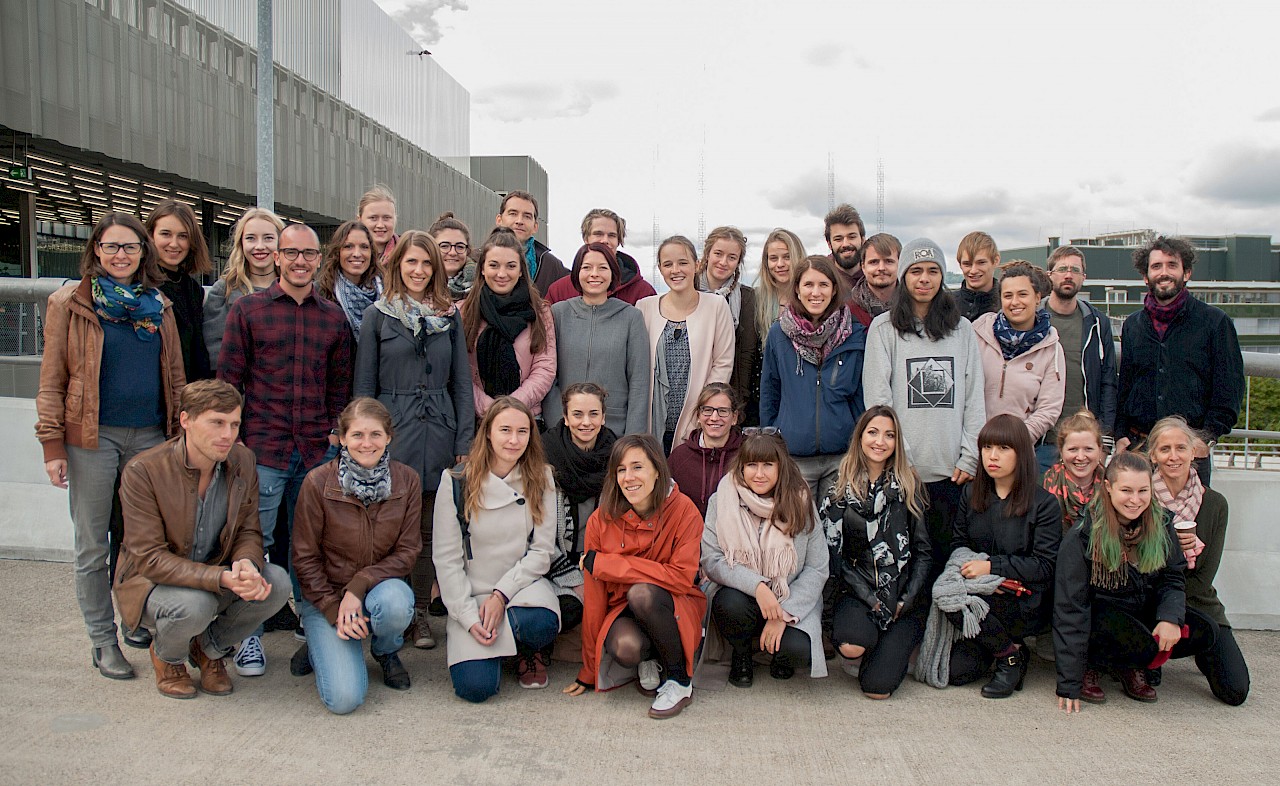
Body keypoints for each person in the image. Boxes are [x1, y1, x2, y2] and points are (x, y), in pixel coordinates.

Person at [36, 211, 186, 680]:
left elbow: (176, 376)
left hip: (149, 437)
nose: (121, 255)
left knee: (141, 540)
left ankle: (134, 618)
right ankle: (103, 642)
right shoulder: (71, 302)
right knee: (92, 545)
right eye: (112, 246)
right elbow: (52, 379)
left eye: (131, 247)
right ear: (96, 250)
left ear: (143, 254)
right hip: (91, 438)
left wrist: (179, 433)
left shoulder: (157, 306)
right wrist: (52, 446)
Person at [218, 222, 353, 676]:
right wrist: (235, 441)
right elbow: (229, 382)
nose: (300, 261)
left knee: (310, 544)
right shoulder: (248, 311)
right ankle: (247, 637)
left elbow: (340, 387)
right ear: (276, 257)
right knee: (252, 542)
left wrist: (336, 434)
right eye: (291, 253)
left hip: (315, 450)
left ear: (319, 259)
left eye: (309, 254)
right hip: (263, 448)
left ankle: (309, 629)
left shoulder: (333, 317)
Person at [114, 380, 290, 699]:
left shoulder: (243, 460)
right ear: (186, 421)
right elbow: (149, 559)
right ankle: (168, 658)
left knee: (275, 583)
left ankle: (209, 649)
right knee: (196, 604)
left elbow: (249, 530)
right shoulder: (143, 470)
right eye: (217, 422)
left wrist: (246, 565)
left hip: (213, 571)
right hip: (151, 583)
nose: (228, 434)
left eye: (234, 424)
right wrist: (221, 577)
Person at [354, 229, 475, 650]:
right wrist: (365, 440)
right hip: (393, 433)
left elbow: (461, 383)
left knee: (429, 529)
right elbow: (364, 385)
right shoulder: (378, 316)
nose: (419, 270)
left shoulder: (449, 317)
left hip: (439, 433)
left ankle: (420, 614)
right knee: (388, 528)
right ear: (397, 265)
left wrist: (464, 439)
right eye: (411, 262)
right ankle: (393, 611)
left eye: (427, 263)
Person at [1053, 451, 1215, 712]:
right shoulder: (1083, 535)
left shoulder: (1162, 524)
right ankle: (1091, 666)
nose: (1135, 500)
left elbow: (1172, 576)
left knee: (1204, 632)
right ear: (1108, 487)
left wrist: (1170, 618)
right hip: (1099, 618)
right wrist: (1068, 683)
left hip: (1139, 610)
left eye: (1143, 490)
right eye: (1126, 490)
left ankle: (1129, 664)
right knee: (1114, 627)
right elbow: (1070, 609)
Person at [290, 398, 421, 714]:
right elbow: (304, 557)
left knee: (396, 603)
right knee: (345, 699)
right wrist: (334, 609)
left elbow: (407, 551)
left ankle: (385, 650)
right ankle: (321, 640)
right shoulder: (318, 482)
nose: (367, 443)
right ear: (342, 437)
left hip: (378, 589)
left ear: (389, 437)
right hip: (326, 598)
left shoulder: (407, 480)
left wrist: (358, 586)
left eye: (375, 434)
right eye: (357, 435)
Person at [863, 238, 985, 572]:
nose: (924, 278)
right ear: (904, 276)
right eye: (915, 270)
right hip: (904, 473)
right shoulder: (883, 329)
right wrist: (900, 461)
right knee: (907, 564)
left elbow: (974, 396)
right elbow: (878, 402)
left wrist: (971, 455)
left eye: (933, 271)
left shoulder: (962, 331)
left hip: (953, 473)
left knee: (947, 561)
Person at [563, 435, 707, 720]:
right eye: (621, 469)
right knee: (625, 647)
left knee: (641, 593)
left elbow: (681, 578)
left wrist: (610, 565)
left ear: (657, 470)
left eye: (638, 467)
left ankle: (678, 681)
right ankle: (653, 657)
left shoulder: (684, 511)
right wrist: (589, 670)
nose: (628, 477)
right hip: (624, 609)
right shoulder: (601, 519)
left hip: (675, 603)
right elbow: (594, 599)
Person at [433, 397, 560, 701]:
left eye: (522, 431)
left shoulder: (541, 478)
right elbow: (447, 560)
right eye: (505, 430)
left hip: (518, 589)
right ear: (487, 432)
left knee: (542, 622)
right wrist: (467, 617)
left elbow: (542, 552)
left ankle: (521, 648)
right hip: (471, 594)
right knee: (476, 690)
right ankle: (498, 644)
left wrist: (500, 596)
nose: (514, 440)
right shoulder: (455, 482)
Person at [694, 432, 829, 690]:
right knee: (729, 604)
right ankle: (742, 653)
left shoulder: (800, 501)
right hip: (742, 597)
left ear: (781, 467)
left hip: (789, 598)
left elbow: (817, 567)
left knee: (798, 650)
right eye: (752, 465)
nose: (759, 473)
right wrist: (758, 586)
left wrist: (783, 614)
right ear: (741, 467)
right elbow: (712, 559)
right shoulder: (722, 499)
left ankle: (776, 650)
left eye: (768, 465)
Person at [943, 415, 1061, 698]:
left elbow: (1044, 566)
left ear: (1021, 453)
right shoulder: (971, 494)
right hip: (979, 595)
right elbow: (959, 544)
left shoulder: (1044, 504)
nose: (992, 456)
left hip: (1024, 600)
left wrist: (991, 566)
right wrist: (970, 569)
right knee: (956, 672)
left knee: (958, 604)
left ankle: (1009, 657)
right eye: (987, 448)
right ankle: (1009, 650)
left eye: (1003, 449)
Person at [1115, 236, 1244, 487]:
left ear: (1186, 273)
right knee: (1137, 524)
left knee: (1189, 526)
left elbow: (1230, 388)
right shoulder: (1132, 326)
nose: (1164, 273)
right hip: (1140, 449)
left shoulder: (1215, 322)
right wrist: (1121, 435)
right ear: (1145, 276)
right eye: (1156, 266)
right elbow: (1126, 387)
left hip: (1189, 453)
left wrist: (1206, 437)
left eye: (1172, 265)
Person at [822, 405, 931, 699]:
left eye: (889, 435)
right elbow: (835, 557)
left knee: (877, 690)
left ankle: (888, 650)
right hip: (859, 593)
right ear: (860, 437)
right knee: (852, 645)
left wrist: (905, 599)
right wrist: (871, 600)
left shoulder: (910, 486)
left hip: (902, 597)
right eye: (873, 432)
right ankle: (868, 643)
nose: (880, 441)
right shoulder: (839, 488)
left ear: (897, 443)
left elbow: (923, 553)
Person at [1147, 416, 1249, 706]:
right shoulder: (1141, 498)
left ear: (1195, 452)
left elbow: (1204, 576)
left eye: (1181, 447)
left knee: (1234, 690)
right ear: (1153, 455)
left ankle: (1189, 643)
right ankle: (1148, 655)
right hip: (1149, 599)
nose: (1173, 456)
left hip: (1198, 601)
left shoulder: (1215, 504)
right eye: (1164, 449)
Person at [761, 255, 865, 502]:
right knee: (798, 530)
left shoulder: (854, 332)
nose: (815, 292)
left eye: (823, 285)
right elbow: (770, 391)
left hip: (841, 457)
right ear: (797, 289)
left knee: (836, 532)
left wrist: (857, 444)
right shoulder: (779, 334)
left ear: (834, 289)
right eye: (808, 285)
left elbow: (860, 394)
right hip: (794, 457)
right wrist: (772, 441)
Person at [636, 235, 735, 454]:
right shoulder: (644, 308)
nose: (675, 270)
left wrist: (705, 413)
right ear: (660, 269)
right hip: (653, 421)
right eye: (668, 264)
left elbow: (723, 363)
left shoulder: (716, 306)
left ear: (697, 265)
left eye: (682, 263)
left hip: (697, 422)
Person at [541, 243, 650, 436]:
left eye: (602, 268)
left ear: (613, 273)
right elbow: (548, 376)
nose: (594, 274)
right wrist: (559, 423)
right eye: (586, 267)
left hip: (614, 431)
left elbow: (639, 382)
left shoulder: (631, 317)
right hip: (565, 430)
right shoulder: (558, 313)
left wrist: (633, 437)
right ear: (576, 273)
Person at [543, 383, 619, 638]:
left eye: (593, 414)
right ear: (565, 418)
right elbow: (535, 533)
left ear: (603, 417)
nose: (586, 422)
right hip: (554, 561)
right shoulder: (545, 456)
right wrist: (574, 580)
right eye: (577, 414)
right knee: (567, 609)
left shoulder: (618, 457)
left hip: (603, 561)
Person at [462, 228, 558, 422]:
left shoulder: (540, 312)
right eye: (494, 265)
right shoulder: (463, 311)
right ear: (482, 268)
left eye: (511, 266)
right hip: (477, 420)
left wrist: (511, 407)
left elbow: (544, 368)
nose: (502, 273)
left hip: (527, 418)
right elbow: (459, 370)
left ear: (521, 270)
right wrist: (488, 408)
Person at [1039, 245, 1118, 467]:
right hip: (1041, 442)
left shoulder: (1096, 322)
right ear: (1050, 275)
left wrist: (1105, 440)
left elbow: (1108, 382)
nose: (1068, 275)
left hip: (1083, 443)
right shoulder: (1034, 320)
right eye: (1062, 268)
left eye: (1075, 270)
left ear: (1083, 277)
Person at [971, 260, 1066, 446]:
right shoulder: (977, 335)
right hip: (974, 447)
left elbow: (1049, 409)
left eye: (1023, 294)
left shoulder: (1051, 348)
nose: (1015, 302)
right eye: (1008, 295)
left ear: (1037, 297)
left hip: (1019, 450)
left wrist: (1016, 441)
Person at [203, 207, 283, 367]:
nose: (259, 246)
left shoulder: (297, 291)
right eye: (251, 238)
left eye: (268, 238)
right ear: (241, 243)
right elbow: (216, 353)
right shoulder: (223, 291)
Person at [697, 226, 761, 424]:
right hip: (692, 389)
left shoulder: (747, 298)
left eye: (732, 257)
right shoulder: (689, 291)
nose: (723, 262)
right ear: (708, 254)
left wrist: (739, 402)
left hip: (731, 396)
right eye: (718, 254)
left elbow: (746, 354)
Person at [146, 199, 213, 381]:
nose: (174, 244)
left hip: (189, 393)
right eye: (166, 234)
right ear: (150, 236)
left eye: (183, 236)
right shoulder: (140, 285)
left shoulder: (192, 290)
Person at [543, 208, 657, 305]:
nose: (605, 241)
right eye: (598, 234)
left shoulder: (643, 293)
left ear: (619, 241)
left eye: (612, 235)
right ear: (586, 238)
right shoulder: (559, 290)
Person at [667, 383, 744, 517]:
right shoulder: (679, 457)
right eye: (707, 410)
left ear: (734, 417)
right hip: (689, 534)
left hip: (734, 534)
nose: (714, 418)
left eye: (723, 411)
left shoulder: (747, 455)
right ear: (698, 415)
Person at [316, 219, 381, 343]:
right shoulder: (320, 294)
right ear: (337, 252)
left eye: (364, 247)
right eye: (348, 246)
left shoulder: (387, 293)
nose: (357, 254)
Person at [494, 190, 569, 294]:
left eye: (527, 216)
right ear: (499, 220)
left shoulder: (550, 265)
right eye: (513, 214)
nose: (519, 221)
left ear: (535, 226)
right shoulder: (478, 259)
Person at [1042, 410, 1106, 530]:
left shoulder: (1112, 486)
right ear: (1061, 451)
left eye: (1088, 449)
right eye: (1073, 449)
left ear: (1100, 449)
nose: (1081, 457)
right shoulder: (1041, 489)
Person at [755, 228, 806, 340]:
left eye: (787, 257)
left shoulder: (812, 299)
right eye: (773, 258)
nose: (780, 264)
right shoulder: (756, 300)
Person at [847, 233, 899, 329]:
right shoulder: (847, 311)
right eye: (874, 262)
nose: (881, 268)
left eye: (889, 261)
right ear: (863, 267)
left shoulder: (914, 307)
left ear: (900, 265)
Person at [428, 211, 476, 302]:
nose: (453, 253)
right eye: (444, 246)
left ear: (467, 250)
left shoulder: (481, 285)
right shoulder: (417, 283)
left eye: (460, 246)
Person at [955, 231, 1000, 321]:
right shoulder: (945, 305)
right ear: (960, 264)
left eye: (981, 263)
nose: (973, 270)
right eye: (967, 264)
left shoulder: (1008, 304)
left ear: (995, 261)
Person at [823, 203, 865, 294]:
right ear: (829, 244)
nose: (845, 244)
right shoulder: (820, 276)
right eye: (838, 239)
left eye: (852, 237)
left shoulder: (876, 274)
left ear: (862, 240)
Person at [357, 184, 398, 267]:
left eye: (386, 218)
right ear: (359, 220)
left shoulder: (407, 255)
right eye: (373, 218)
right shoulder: (346, 256)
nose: (380, 225)